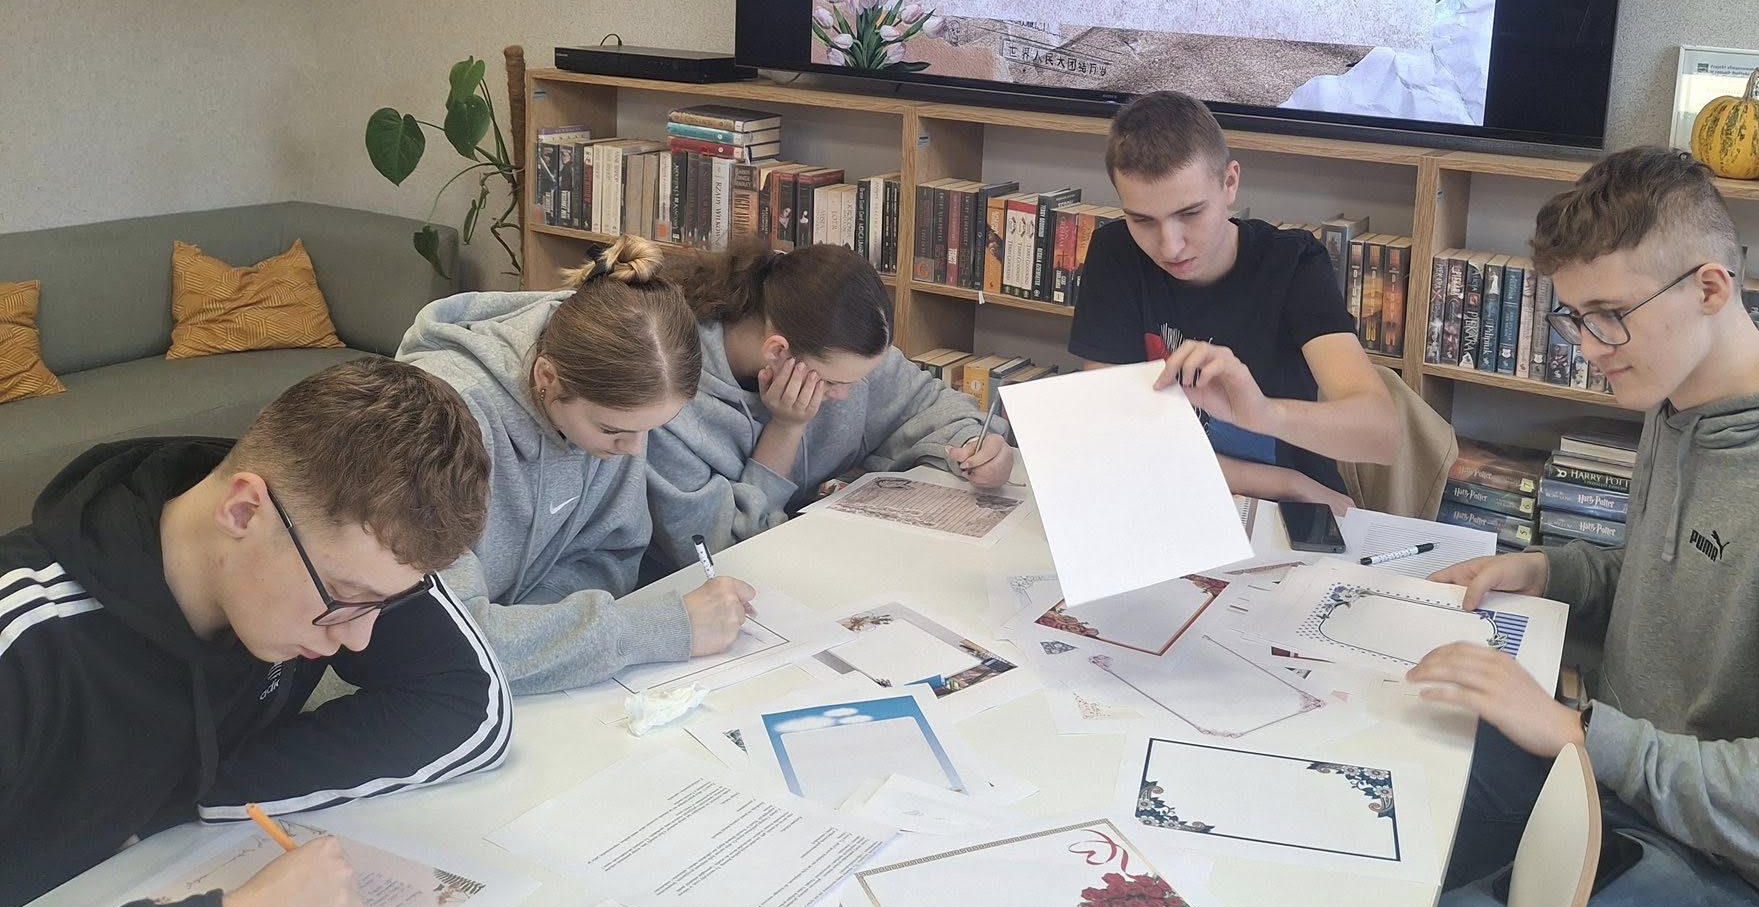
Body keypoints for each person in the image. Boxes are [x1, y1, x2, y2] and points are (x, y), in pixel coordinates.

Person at [1411, 147, 1759, 907]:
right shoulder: (1681, 400)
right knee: (1401, 781)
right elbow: (1678, 580)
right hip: (1633, 787)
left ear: (1710, 288)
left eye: (1610, 316)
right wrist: (1546, 571)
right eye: (1575, 318)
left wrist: (1578, 732)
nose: (1589, 349)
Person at [0, 356, 511, 907]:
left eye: (385, 604)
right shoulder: (22, 645)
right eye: (345, 596)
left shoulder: (339, 540)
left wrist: (190, 796)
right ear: (244, 512)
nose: (360, 639)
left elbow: (469, 704)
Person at [396, 237, 755, 694]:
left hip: (519, 680)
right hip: (403, 687)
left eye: (651, 429)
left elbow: (611, 552)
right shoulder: (437, 426)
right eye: (611, 430)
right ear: (547, 377)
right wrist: (657, 628)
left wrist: (545, 634)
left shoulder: (615, 407)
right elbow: (442, 641)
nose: (634, 450)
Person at [1067, 90, 1400, 512]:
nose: (1170, 246)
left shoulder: (1292, 263)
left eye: (1190, 214)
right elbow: (1116, 426)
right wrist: (1288, 482)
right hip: (1179, 492)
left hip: (1284, 515)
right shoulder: (1115, 251)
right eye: (1142, 220)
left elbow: (1382, 436)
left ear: (1230, 183)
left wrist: (1265, 414)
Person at [645, 240, 1016, 557]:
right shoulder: (665, 400)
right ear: (778, 351)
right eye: (834, 383)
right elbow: (717, 554)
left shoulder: (835, 348)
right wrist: (786, 429)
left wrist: (976, 444)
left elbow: (935, 406)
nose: (846, 395)